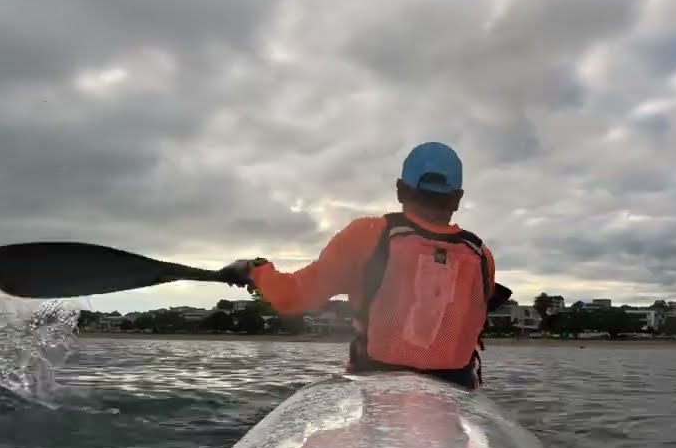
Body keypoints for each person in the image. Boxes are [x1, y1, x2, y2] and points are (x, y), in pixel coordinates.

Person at [219, 141, 512, 390]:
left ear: (400, 190)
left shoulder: (368, 235)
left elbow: (292, 297)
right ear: (457, 199)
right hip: (456, 389)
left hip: (378, 385)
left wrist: (256, 270)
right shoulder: (481, 256)